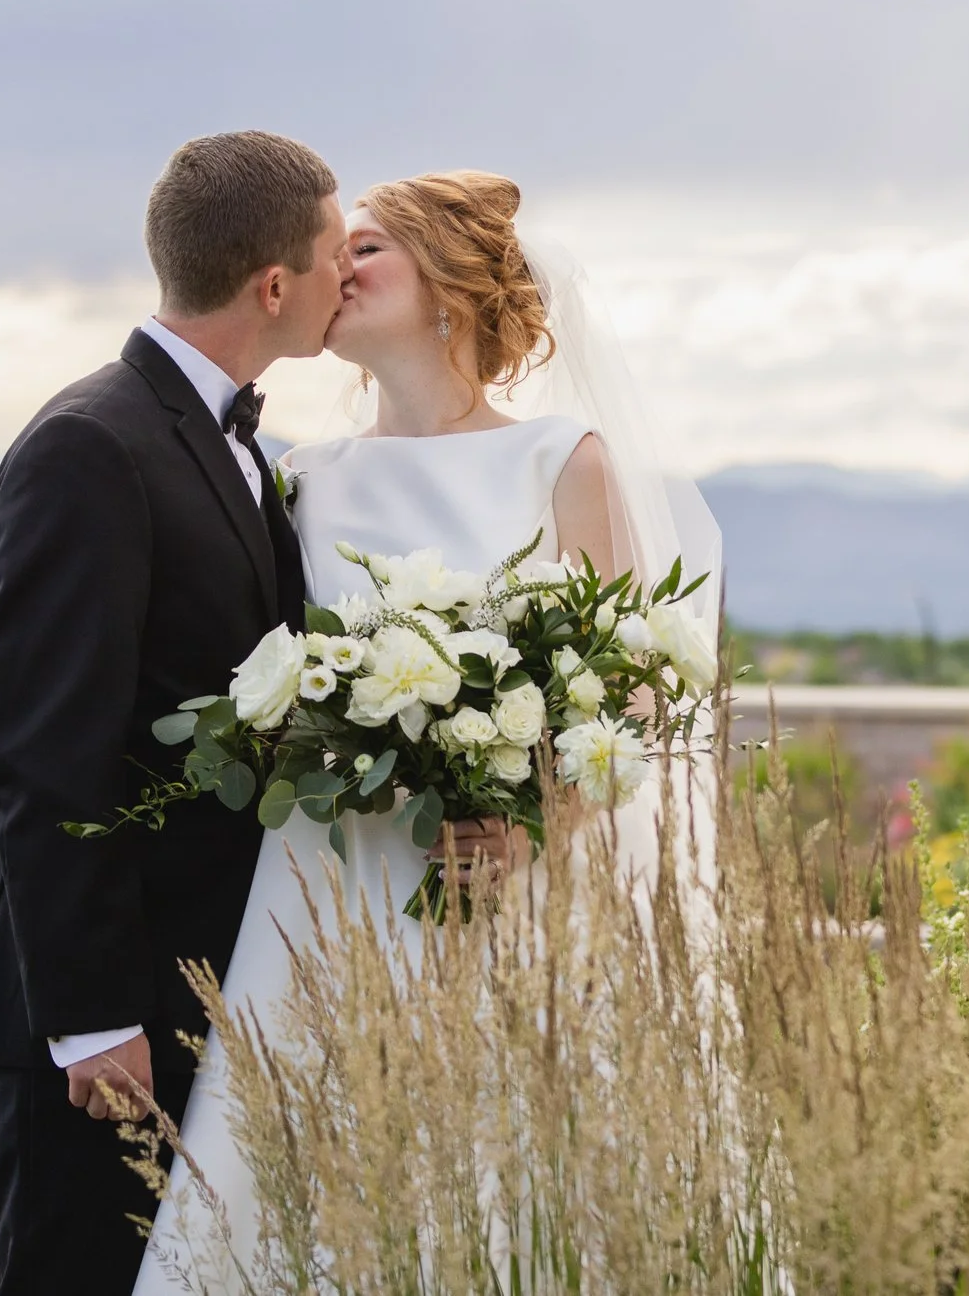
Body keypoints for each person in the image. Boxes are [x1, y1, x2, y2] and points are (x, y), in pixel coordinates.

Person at [134, 169, 722, 1292]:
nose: (331, 273)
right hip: (336, 880)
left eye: (364, 251)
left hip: (517, 893)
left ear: (450, 287)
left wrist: (529, 821)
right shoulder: (300, 479)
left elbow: (636, 700)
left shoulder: (563, 461)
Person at [0, 131, 349, 1294]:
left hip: (209, 992)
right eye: (337, 255)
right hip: (104, 1022)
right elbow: (43, 754)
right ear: (273, 285)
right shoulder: (91, 446)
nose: (348, 277)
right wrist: (88, 1020)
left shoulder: (236, 450)